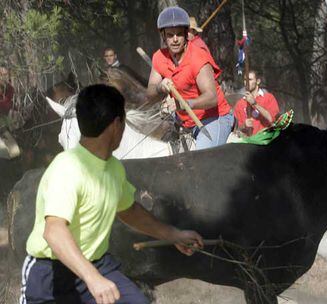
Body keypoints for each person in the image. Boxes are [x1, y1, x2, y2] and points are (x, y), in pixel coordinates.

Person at [20, 84, 203, 304]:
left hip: (97, 264)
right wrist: (92, 278)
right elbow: (54, 232)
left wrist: (173, 234)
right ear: (117, 124)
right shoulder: (67, 167)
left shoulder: (113, 167)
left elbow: (129, 211)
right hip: (50, 274)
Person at [147, 6, 233, 150]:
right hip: (184, 122)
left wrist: (184, 105)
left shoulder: (198, 57)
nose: (175, 40)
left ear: (186, 34)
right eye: (170, 35)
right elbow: (150, 94)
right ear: (163, 35)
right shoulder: (158, 57)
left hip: (213, 118)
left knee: (201, 163)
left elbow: (212, 98)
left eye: (179, 34)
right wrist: (160, 87)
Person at [234, 70, 280, 136]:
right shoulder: (240, 104)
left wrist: (255, 104)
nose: (246, 82)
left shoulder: (269, 98)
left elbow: (272, 119)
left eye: (250, 79)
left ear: (258, 81)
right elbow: (237, 129)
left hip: (266, 140)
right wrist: (244, 125)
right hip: (248, 142)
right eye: (245, 80)